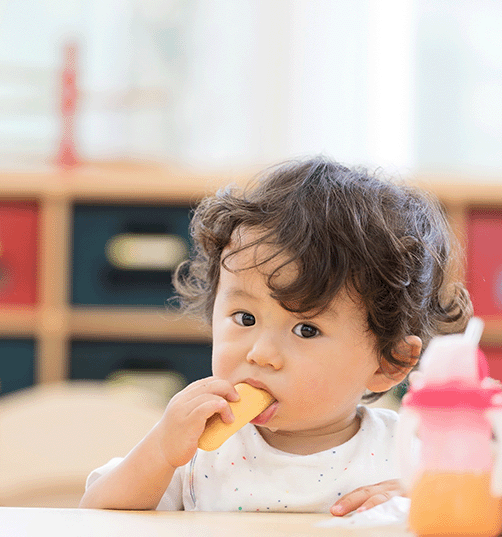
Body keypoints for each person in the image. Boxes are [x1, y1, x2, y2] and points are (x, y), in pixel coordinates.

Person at [80, 157, 470, 515]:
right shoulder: (197, 453)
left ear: (389, 361)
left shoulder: (409, 453)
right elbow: (97, 514)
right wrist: (161, 451)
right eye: (245, 318)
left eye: (306, 329)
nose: (261, 353)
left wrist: (423, 501)